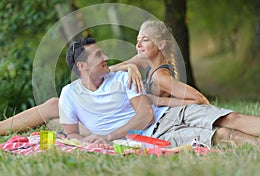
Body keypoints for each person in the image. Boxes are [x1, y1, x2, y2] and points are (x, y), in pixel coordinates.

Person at [59, 35, 260, 147]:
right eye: (98, 55)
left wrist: (109, 137)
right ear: (82, 66)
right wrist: (87, 141)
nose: (106, 57)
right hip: (156, 136)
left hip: (168, 114)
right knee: (222, 134)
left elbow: (146, 115)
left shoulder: (122, 77)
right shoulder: (69, 95)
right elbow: (72, 135)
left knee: (230, 117)